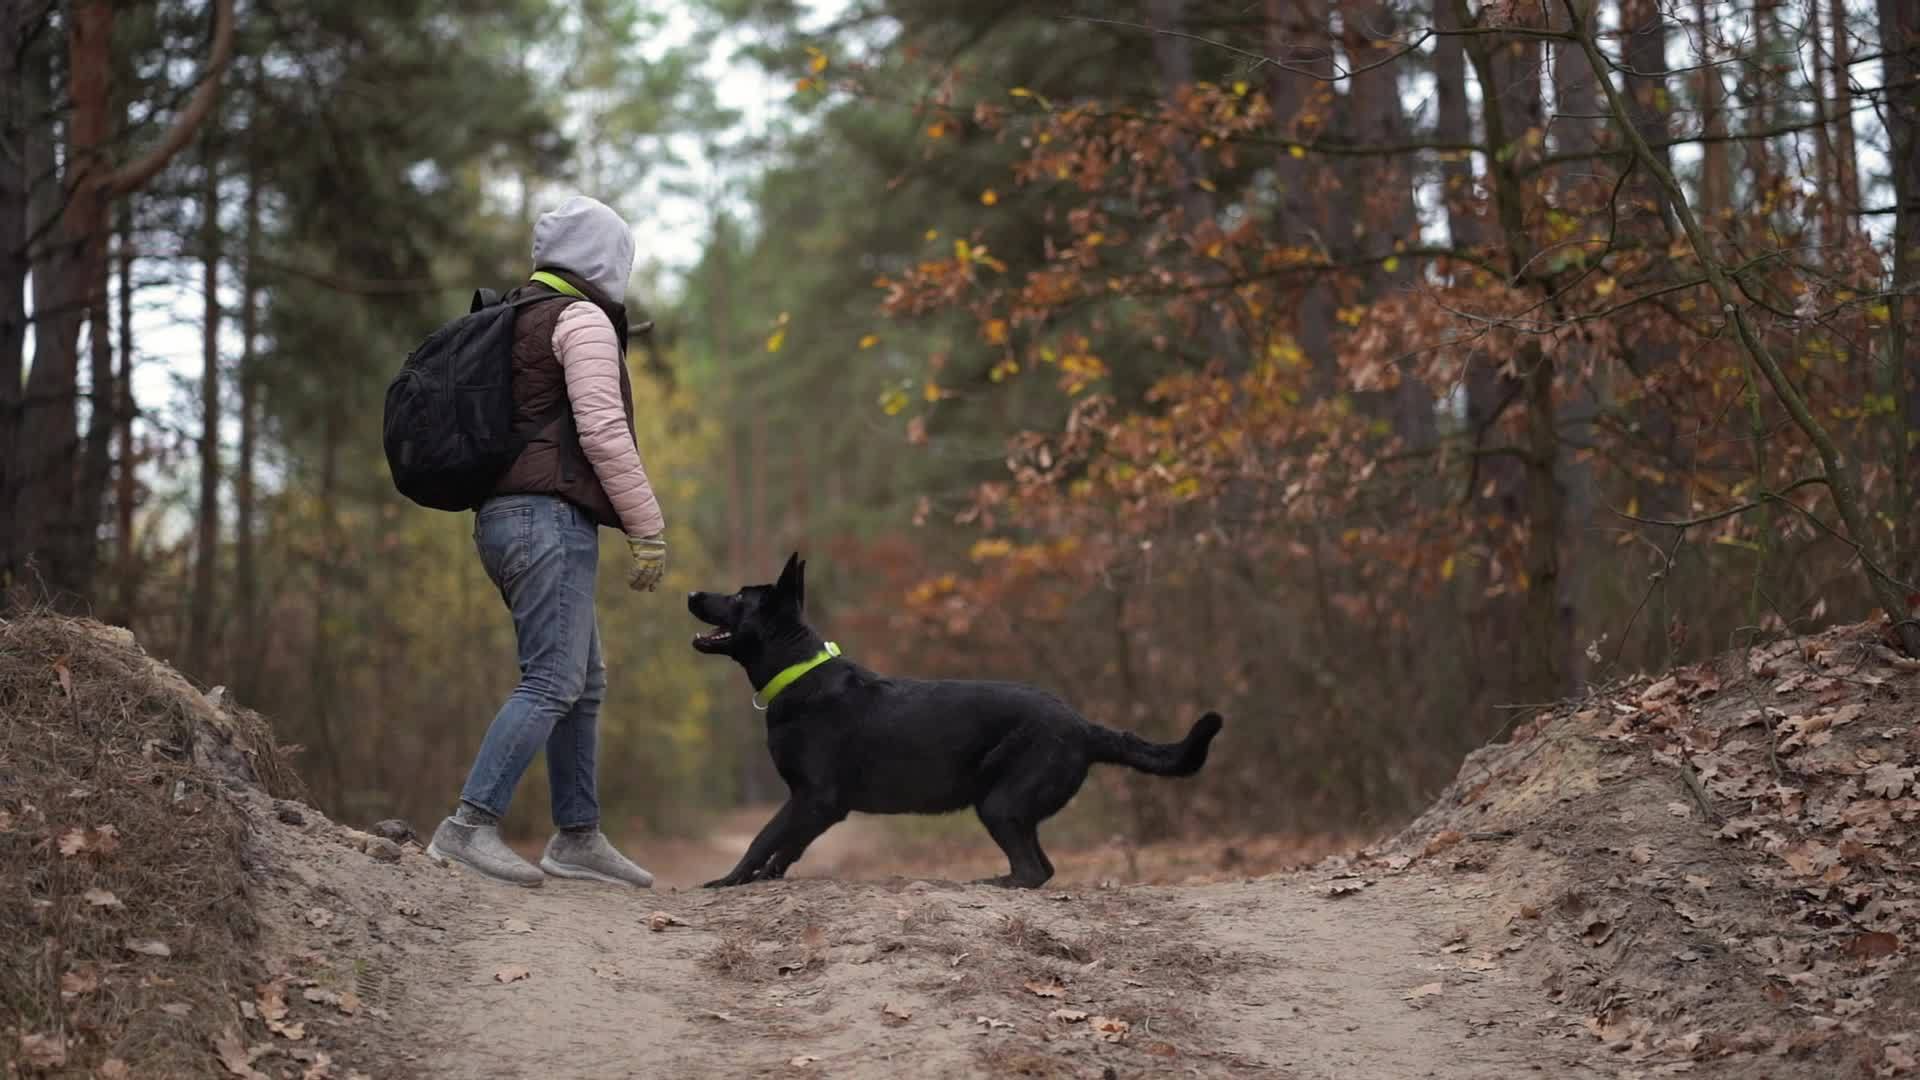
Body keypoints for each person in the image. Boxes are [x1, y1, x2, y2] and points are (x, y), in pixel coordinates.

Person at [426, 196, 665, 888]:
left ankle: (577, 835)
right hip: (547, 519)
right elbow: (602, 430)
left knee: (582, 681)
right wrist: (646, 526)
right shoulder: (580, 318)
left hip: (503, 519)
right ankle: (468, 826)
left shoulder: (515, 314)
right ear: (605, 257)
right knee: (553, 679)